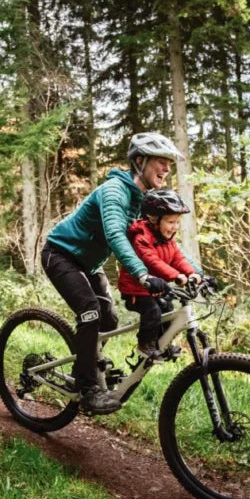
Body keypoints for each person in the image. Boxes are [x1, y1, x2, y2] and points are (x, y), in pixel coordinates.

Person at [41, 132, 183, 414]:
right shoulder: (114, 192)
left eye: (169, 163)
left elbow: (161, 243)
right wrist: (143, 276)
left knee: (109, 319)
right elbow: (117, 236)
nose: (167, 169)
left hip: (89, 265)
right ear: (140, 161)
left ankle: (89, 365)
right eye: (161, 161)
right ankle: (87, 386)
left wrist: (193, 274)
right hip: (61, 254)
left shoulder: (143, 201)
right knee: (90, 311)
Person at [118, 189, 200, 360]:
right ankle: (145, 345)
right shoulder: (142, 238)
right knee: (153, 311)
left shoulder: (167, 240)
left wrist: (192, 273)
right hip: (136, 290)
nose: (174, 227)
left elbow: (178, 258)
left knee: (168, 309)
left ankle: (162, 344)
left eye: (177, 222)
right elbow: (152, 261)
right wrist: (176, 276)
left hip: (155, 289)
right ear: (154, 219)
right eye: (170, 222)